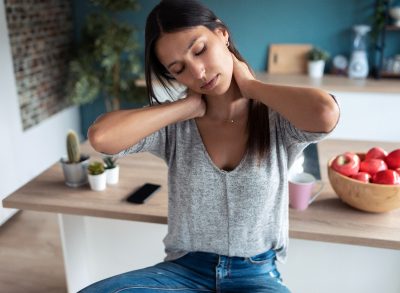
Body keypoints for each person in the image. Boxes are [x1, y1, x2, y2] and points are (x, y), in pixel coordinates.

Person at [80, 0, 340, 292]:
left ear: (222, 34)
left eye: (199, 50)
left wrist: (252, 87)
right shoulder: (175, 127)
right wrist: (185, 108)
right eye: (179, 69)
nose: (198, 73)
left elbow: (325, 114)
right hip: (183, 272)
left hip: (255, 275)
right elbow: (102, 137)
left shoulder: (276, 117)